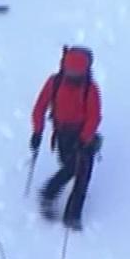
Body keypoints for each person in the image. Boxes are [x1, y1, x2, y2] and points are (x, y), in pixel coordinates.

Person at [29, 45, 103, 231]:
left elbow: (94, 116)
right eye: (70, 72)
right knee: (71, 168)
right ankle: (49, 193)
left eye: (77, 73)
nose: (73, 77)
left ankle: (72, 215)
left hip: (83, 135)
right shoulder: (54, 83)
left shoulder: (90, 89)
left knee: (82, 175)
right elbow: (40, 108)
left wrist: (85, 138)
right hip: (63, 134)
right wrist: (37, 132)